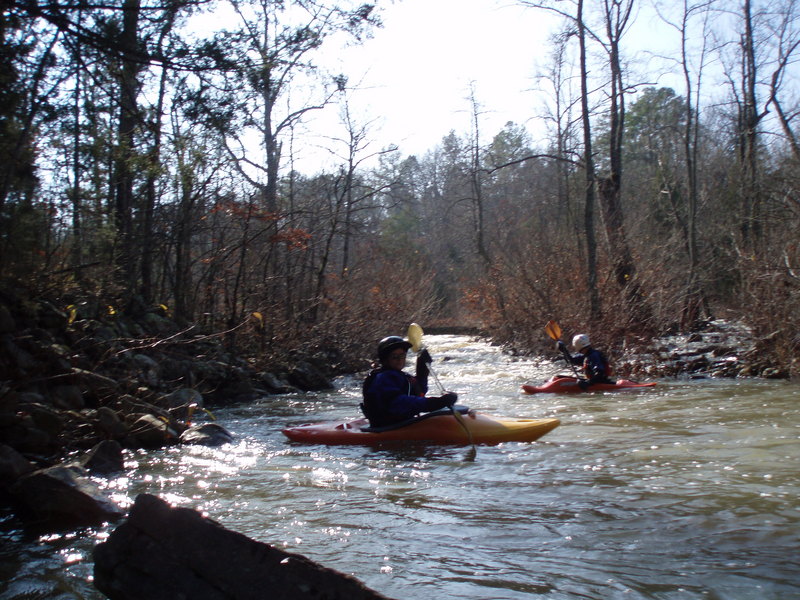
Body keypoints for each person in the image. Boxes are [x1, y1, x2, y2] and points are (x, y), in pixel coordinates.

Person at [361, 335, 458, 427]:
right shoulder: (383, 378)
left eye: (402, 356)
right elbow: (399, 403)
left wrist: (422, 370)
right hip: (387, 425)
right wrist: (435, 403)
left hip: (400, 422)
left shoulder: (400, 375)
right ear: (385, 359)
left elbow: (418, 392)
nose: (399, 360)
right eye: (394, 357)